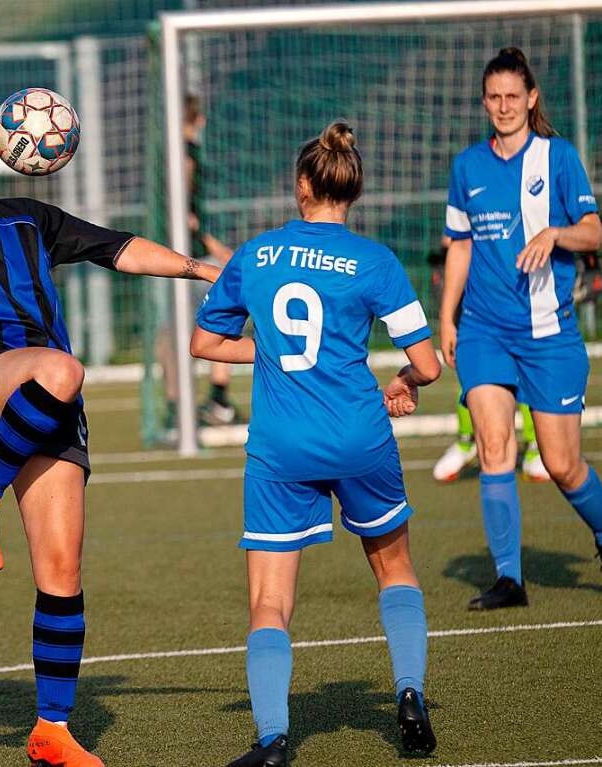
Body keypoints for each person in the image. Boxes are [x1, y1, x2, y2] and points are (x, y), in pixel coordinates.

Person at [0, 105, 220, 766]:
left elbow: (116, 248)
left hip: (46, 399)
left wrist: (201, 270)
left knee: (60, 570)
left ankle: (50, 729)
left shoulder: (27, 214)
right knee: (61, 366)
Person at [191, 121, 440, 766]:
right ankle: (409, 694)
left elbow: (205, 344)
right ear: (350, 190)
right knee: (394, 568)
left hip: (281, 446)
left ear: (302, 185)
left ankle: (273, 739)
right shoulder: (375, 261)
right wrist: (405, 379)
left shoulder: (257, 254)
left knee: (270, 601)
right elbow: (430, 364)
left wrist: (271, 355)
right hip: (359, 433)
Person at [441, 48, 602, 611]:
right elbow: (459, 247)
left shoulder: (557, 158)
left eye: (514, 96)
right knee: (493, 446)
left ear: (531, 98)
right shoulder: (467, 167)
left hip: (548, 333)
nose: (504, 106)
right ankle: (509, 579)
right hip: (484, 328)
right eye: (495, 98)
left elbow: (594, 231)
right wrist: (447, 316)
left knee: (562, 464)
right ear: (484, 103)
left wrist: (555, 235)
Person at [427, 237, 548, 482]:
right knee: (470, 372)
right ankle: (467, 440)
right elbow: (454, 237)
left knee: (521, 372)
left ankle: (536, 445)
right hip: (473, 298)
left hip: (511, 292)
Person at [158, 94, 240, 436]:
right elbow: (188, 218)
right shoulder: (185, 156)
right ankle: (216, 402)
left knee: (173, 334)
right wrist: (218, 251)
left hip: (174, 257)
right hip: (190, 260)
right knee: (218, 324)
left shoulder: (174, 156)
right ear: (199, 119)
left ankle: (182, 407)